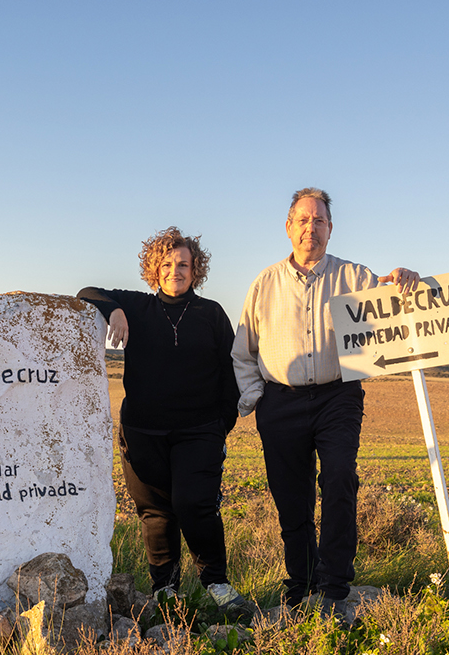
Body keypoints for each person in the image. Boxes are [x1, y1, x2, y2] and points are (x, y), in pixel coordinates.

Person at [232, 188, 417, 619]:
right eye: (302, 220)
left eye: (319, 221)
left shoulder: (355, 277)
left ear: (330, 229)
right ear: (288, 227)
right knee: (291, 498)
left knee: (338, 478)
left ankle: (335, 584)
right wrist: (259, 398)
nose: (310, 228)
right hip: (281, 402)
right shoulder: (265, 283)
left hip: (338, 396)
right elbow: (244, 351)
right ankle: (301, 583)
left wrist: (405, 278)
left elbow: (395, 304)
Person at [79, 227, 244, 610]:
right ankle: (165, 589)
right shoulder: (137, 306)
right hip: (142, 431)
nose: (176, 271)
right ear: (154, 269)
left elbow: (230, 370)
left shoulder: (211, 313)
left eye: (184, 264)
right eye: (167, 264)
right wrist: (114, 309)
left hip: (199, 429)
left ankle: (216, 582)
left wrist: (222, 422)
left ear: (195, 269)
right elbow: (87, 293)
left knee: (194, 503)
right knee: (155, 512)